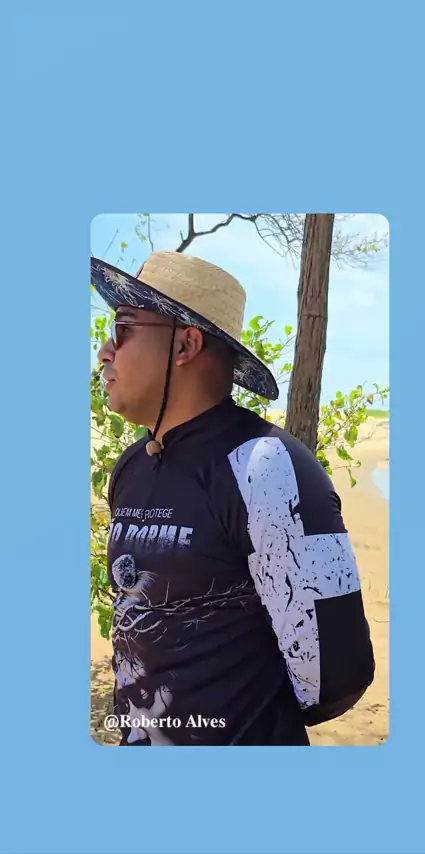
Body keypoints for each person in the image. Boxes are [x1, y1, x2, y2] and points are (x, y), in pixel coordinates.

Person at [91, 250, 375, 746]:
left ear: (186, 344)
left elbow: (336, 677)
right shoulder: (131, 467)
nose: (104, 352)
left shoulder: (265, 466)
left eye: (124, 328)